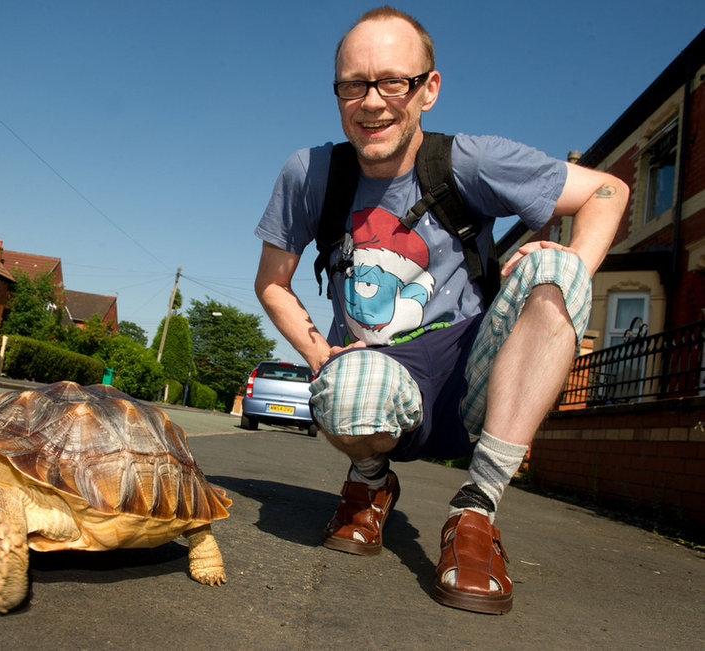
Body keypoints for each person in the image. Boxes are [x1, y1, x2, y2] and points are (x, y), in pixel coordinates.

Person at [253, 6, 628, 615]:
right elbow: (272, 283)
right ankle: (372, 483)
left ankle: (477, 512)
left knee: (556, 268)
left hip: (473, 374)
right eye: (354, 84)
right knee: (345, 389)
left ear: (428, 89)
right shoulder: (311, 173)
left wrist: (570, 276)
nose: (372, 101)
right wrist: (321, 356)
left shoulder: (468, 161)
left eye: (392, 82)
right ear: (339, 93)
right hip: (380, 373)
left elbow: (609, 190)